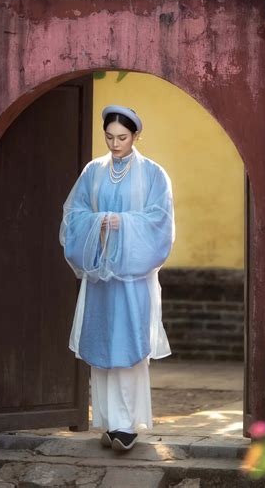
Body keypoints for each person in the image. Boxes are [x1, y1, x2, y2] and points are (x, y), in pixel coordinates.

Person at [59, 105, 175, 451]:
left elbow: (160, 221)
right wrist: (96, 222)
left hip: (132, 278)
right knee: (101, 344)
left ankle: (127, 424)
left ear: (136, 135)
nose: (115, 144)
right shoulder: (93, 171)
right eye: (109, 137)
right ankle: (107, 423)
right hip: (100, 276)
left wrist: (122, 222)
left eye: (122, 137)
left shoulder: (154, 174)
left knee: (127, 346)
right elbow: (74, 213)